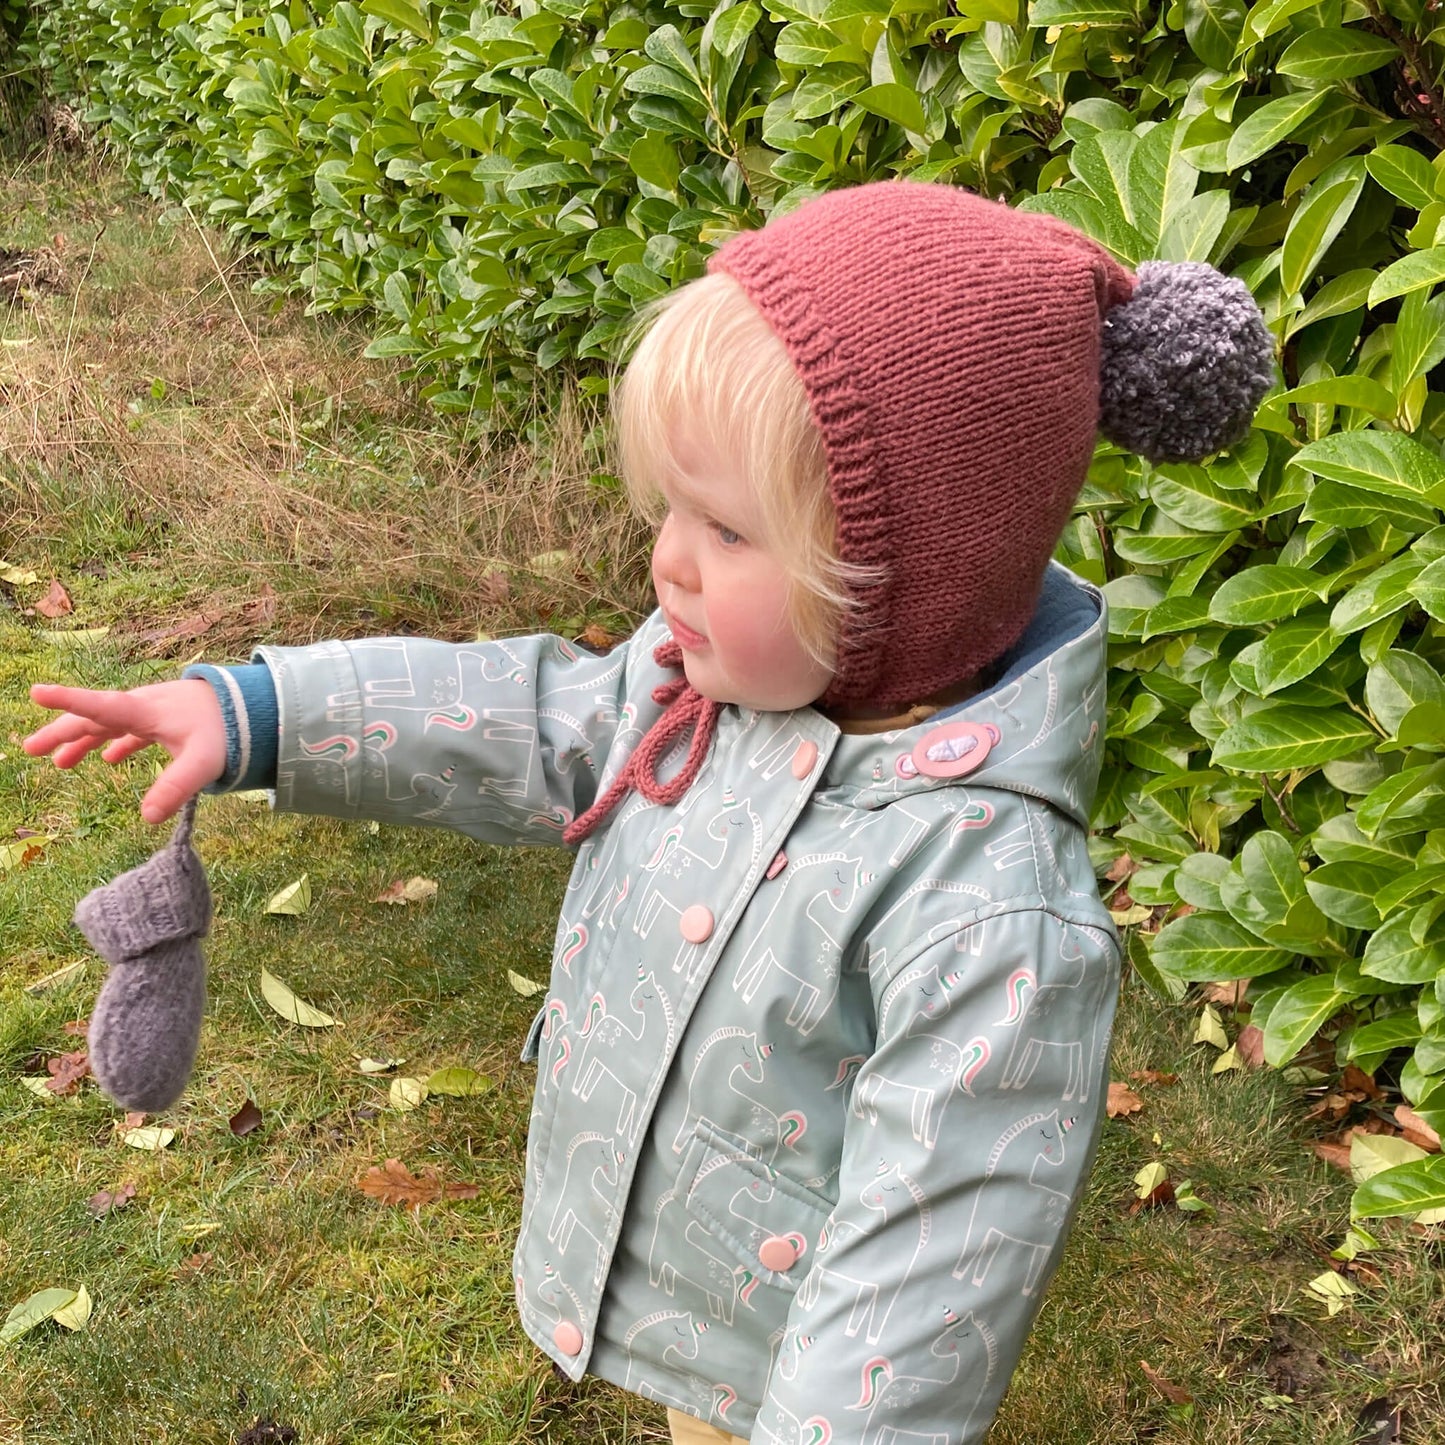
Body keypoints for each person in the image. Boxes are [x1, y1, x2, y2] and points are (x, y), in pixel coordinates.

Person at [24, 180, 1273, 1444]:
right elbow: (522, 718)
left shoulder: (985, 914)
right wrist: (260, 712)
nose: (666, 559)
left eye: (728, 528)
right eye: (671, 507)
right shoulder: (719, 691)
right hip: (686, 1303)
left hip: (787, 1369)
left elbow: (925, 1281)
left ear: (915, 581)